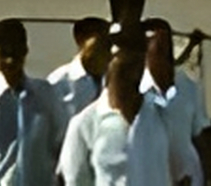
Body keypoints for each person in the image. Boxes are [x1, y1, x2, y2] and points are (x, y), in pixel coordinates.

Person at [58, 35, 200, 186]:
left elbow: (184, 174)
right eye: (123, 67)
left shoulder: (163, 117)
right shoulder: (84, 124)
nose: (132, 74)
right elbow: (74, 180)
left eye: (136, 65)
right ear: (109, 67)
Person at [0, 17, 62, 186]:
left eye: (16, 53)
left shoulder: (45, 93)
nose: (10, 60)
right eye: (4, 54)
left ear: (26, 51)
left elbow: (58, 146)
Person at [141, 19, 210, 147]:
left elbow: (199, 131)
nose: (164, 55)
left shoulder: (188, 87)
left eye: (168, 48)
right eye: (159, 48)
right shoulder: (133, 90)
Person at [47, 16, 110, 124]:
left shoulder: (115, 79)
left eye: (109, 42)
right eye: (101, 39)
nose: (106, 46)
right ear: (80, 39)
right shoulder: (59, 81)